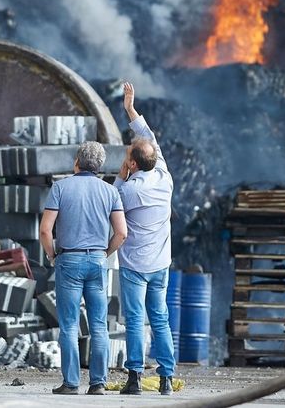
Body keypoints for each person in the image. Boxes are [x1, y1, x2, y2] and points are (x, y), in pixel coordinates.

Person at [40, 141, 128, 396]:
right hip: (97, 262)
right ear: (99, 166)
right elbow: (122, 233)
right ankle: (98, 384)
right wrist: (105, 253)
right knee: (99, 325)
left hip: (68, 261)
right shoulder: (110, 192)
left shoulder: (60, 187)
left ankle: (70, 384)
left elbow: (46, 229)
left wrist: (52, 254)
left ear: (76, 162)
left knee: (69, 325)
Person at [113, 81, 176, 395]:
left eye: (127, 156)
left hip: (135, 266)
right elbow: (149, 137)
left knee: (136, 321)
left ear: (133, 164)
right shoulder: (164, 175)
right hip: (161, 264)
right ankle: (166, 379)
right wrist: (130, 109)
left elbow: (109, 202)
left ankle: (135, 378)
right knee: (160, 318)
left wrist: (120, 174)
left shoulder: (127, 190)